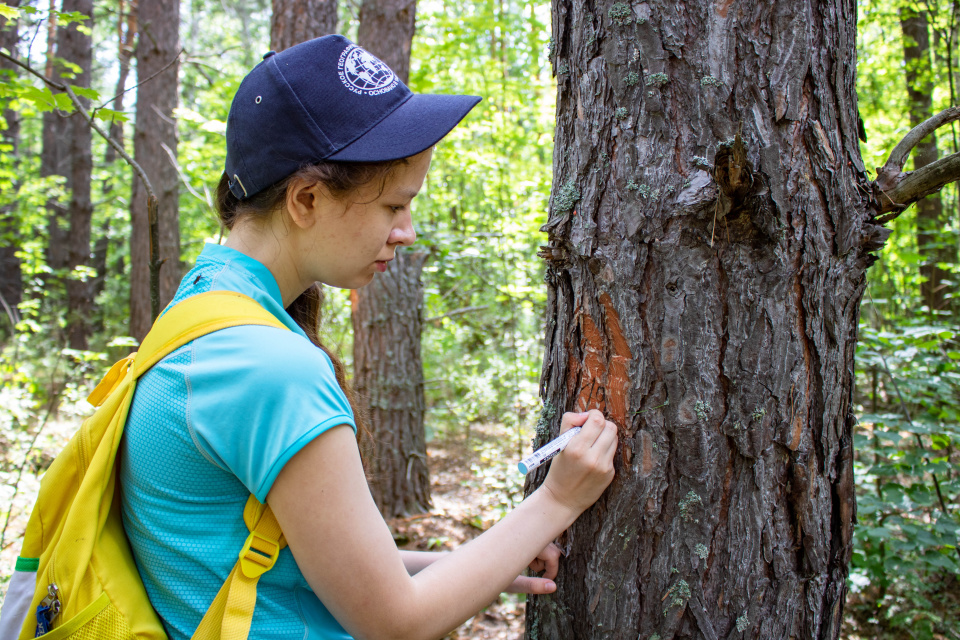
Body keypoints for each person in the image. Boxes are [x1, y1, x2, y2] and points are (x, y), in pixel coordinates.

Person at [119, 34, 618, 640]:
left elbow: (280, 561)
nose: (406, 232)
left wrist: (484, 561)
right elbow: (394, 623)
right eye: (393, 207)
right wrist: (555, 504)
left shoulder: (204, 307)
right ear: (306, 199)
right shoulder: (270, 367)